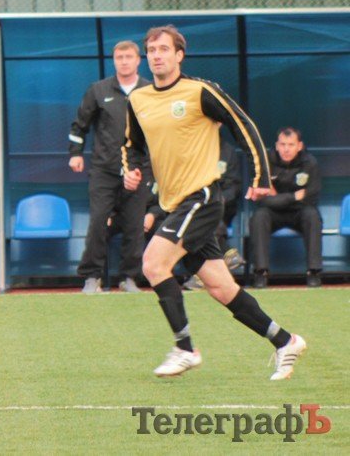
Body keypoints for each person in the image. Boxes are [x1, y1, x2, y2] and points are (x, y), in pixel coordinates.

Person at [123, 25, 306, 380]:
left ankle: (185, 348)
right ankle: (286, 341)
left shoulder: (200, 91)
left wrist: (260, 178)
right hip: (175, 203)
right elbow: (132, 145)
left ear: (179, 55)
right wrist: (130, 170)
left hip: (202, 198)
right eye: (151, 50)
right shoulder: (139, 100)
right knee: (221, 288)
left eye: (163, 49)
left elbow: (244, 126)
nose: (156, 55)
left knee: (153, 264)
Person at [68, 40, 151, 294]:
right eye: (119, 57)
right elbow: (79, 125)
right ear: (113, 61)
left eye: (128, 57)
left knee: (135, 225)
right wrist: (75, 153)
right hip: (104, 170)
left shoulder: (150, 91)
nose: (124, 61)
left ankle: (129, 278)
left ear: (138, 60)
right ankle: (92, 277)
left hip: (138, 171)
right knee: (98, 222)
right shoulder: (98, 89)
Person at [248, 127, 323, 288]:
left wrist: (277, 197)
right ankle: (261, 272)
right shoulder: (266, 162)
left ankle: (314, 272)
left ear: (299, 146)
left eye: (291, 144)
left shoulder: (310, 163)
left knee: (313, 216)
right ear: (276, 145)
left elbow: (311, 197)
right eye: (282, 144)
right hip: (273, 213)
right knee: (259, 216)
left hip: (300, 212)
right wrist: (294, 196)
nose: (286, 149)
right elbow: (263, 200)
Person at [180, 137, 246, 291]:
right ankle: (227, 254)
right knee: (202, 214)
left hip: (223, 204)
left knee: (208, 213)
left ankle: (202, 275)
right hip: (196, 202)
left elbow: (234, 186)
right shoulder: (192, 146)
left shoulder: (227, 150)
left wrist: (219, 199)